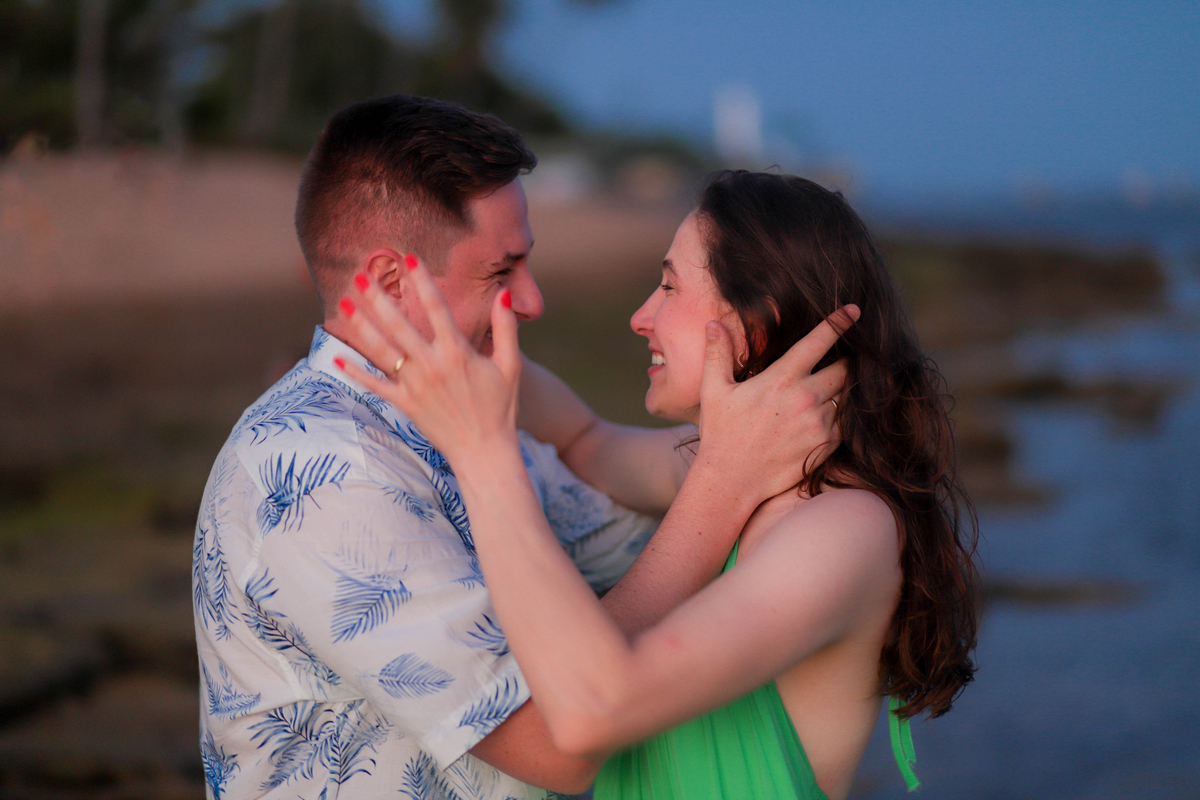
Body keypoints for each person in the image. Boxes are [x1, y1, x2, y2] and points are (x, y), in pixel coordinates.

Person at [193, 96, 852, 800]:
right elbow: (559, 742)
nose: (532, 302)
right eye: (501, 273)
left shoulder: (466, 416)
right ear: (391, 285)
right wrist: (725, 479)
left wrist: (754, 443)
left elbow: (634, 534)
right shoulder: (325, 478)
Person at [337, 170, 981, 800]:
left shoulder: (841, 531)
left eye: (669, 287)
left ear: (754, 324)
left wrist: (483, 453)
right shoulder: (728, 470)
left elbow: (598, 711)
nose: (640, 317)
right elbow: (582, 440)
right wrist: (427, 328)